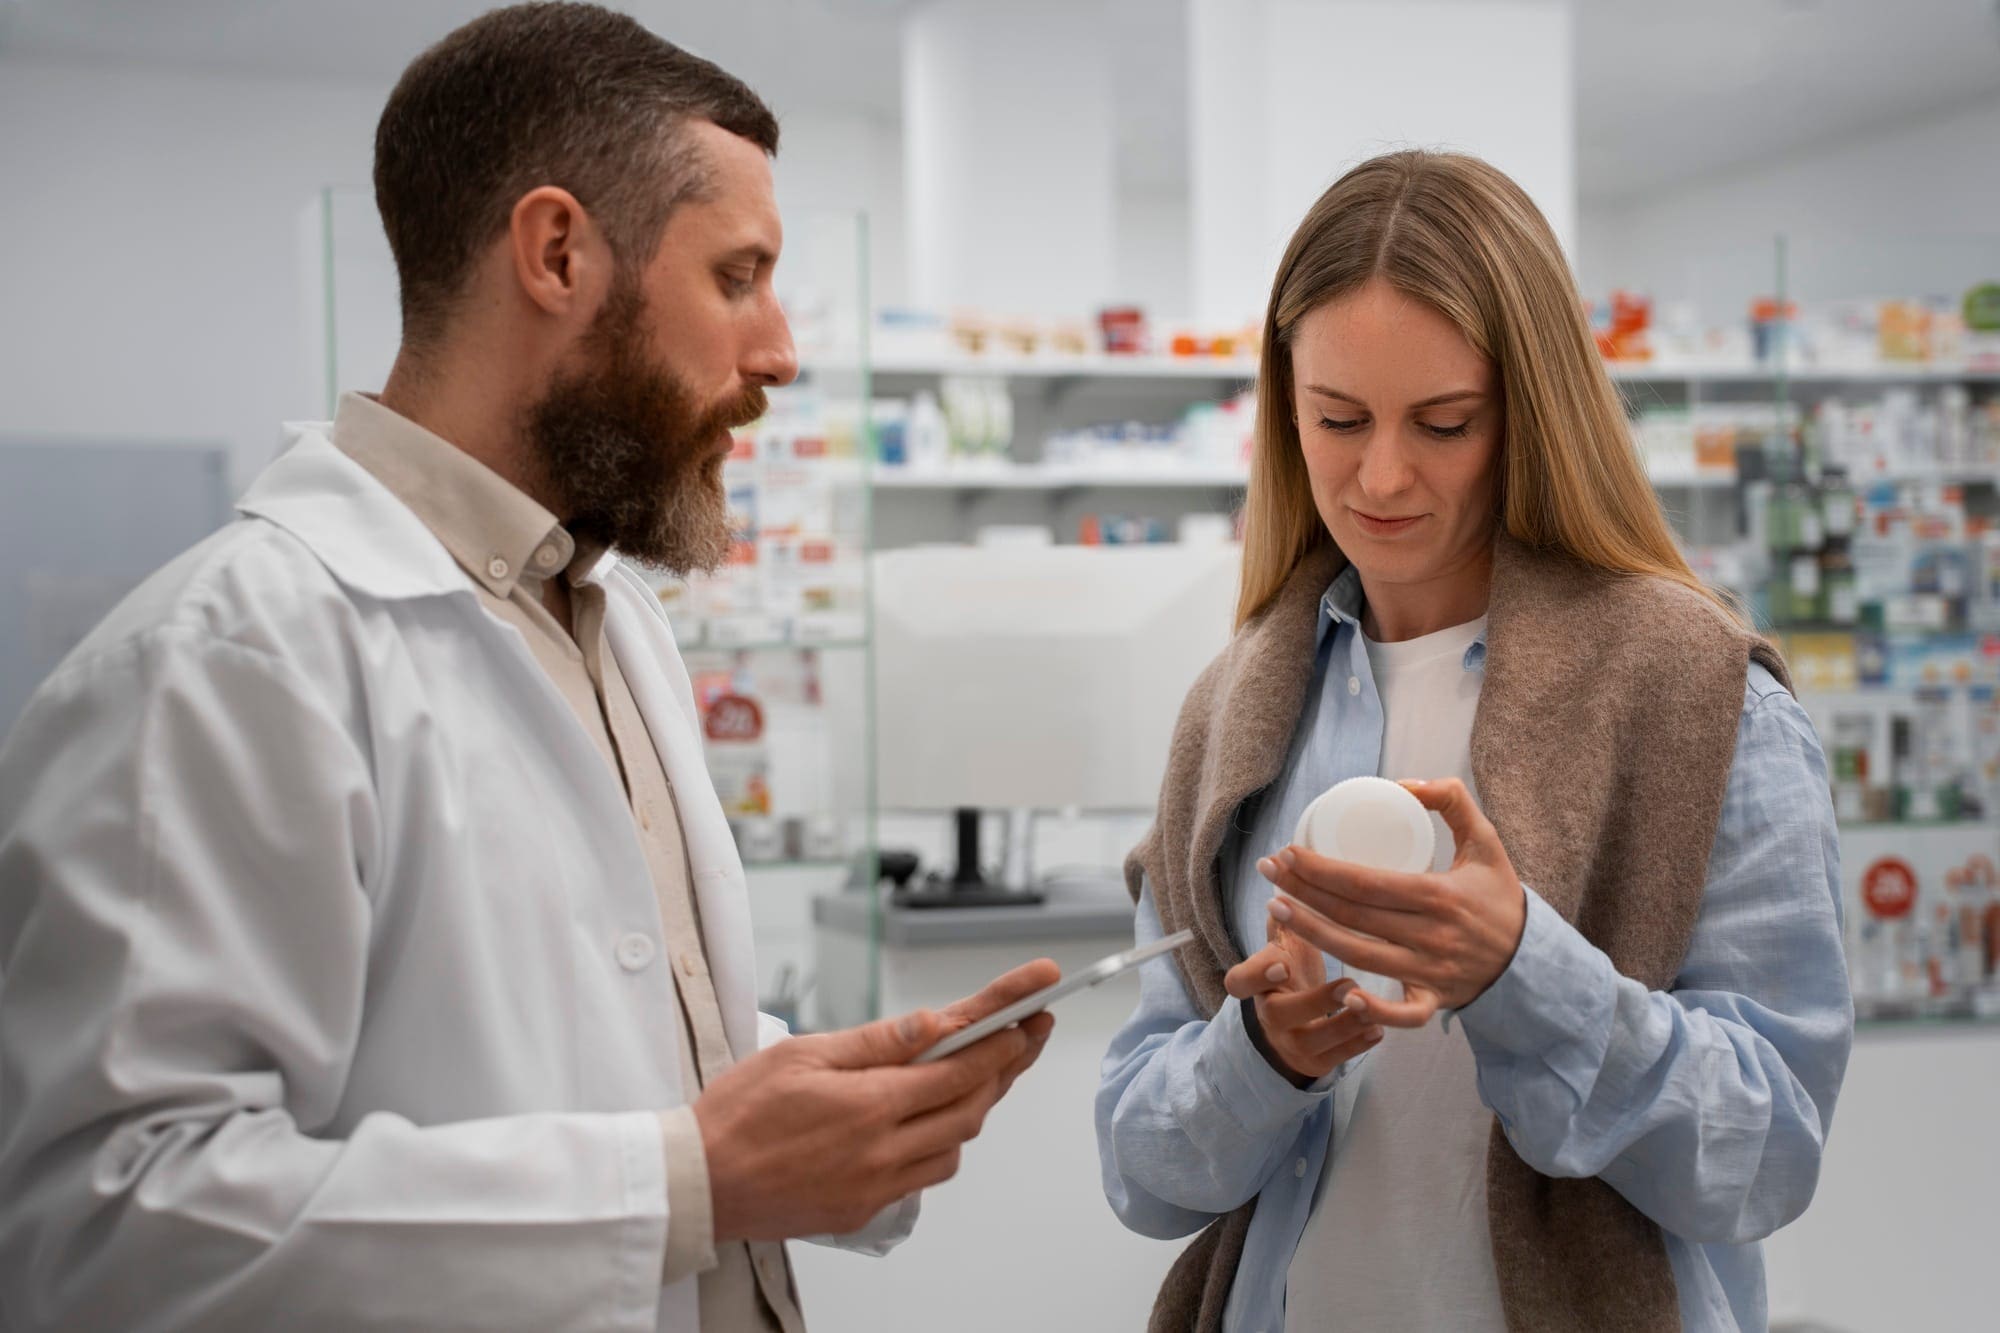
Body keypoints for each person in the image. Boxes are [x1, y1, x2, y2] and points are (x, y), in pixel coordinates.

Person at [0, 6, 1056, 1330]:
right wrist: (687, 1179)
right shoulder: (226, 662)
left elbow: (575, 1042)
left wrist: (820, 1112)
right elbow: (104, 1232)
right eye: (737, 277)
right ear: (557, 252)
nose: (781, 350)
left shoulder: (611, 624)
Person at [1096, 150, 1853, 1333]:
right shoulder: (1234, 708)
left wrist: (1521, 973)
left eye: (1443, 424)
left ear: (1530, 411)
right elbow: (1141, 1172)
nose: (1381, 474)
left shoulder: (1697, 696)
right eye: (1335, 419)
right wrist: (1261, 1053)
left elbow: (1763, 1157)